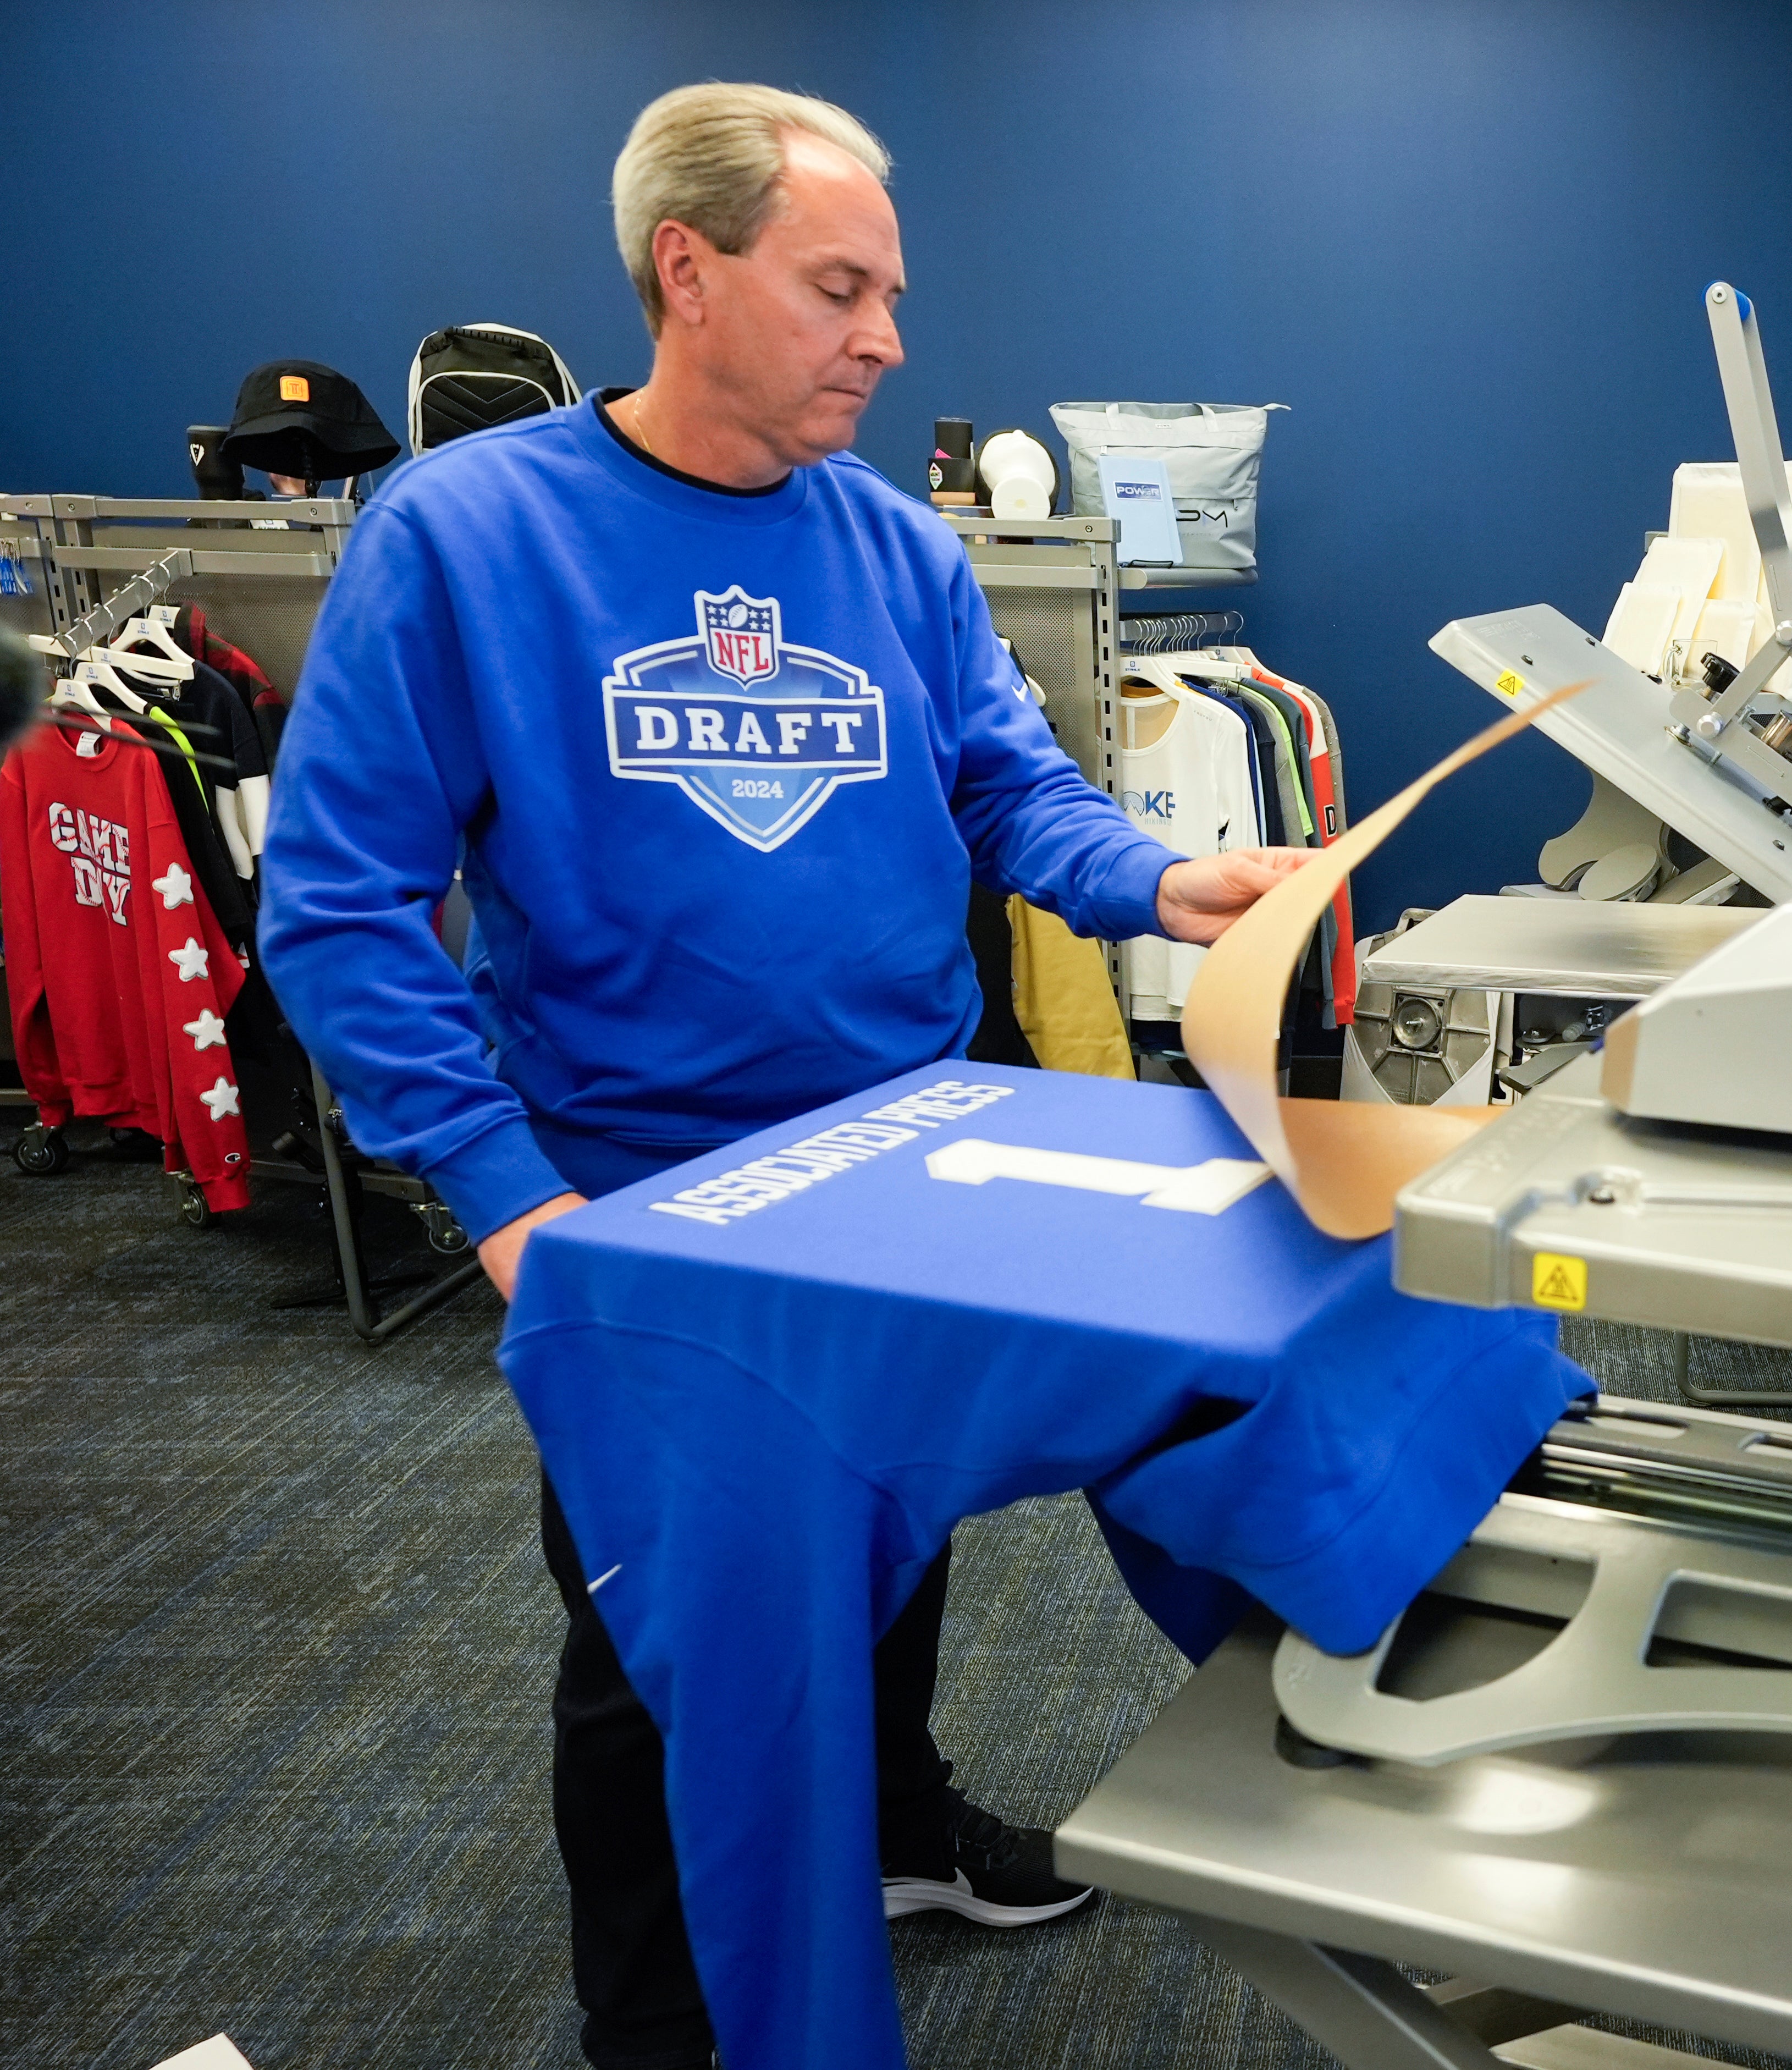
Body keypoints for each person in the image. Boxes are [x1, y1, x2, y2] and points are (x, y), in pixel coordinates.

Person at [257, 83, 1302, 2070]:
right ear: (688, 271)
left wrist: (1169, 872)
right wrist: (503, 1197)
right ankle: (653, 2023)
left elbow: (1005, 786)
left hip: (914, 1138)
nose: (890, 335)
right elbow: (336, 906)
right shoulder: (466, 538)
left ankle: (892, 1830)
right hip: (639, 1197)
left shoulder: (898, 549)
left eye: (891, 292)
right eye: (841, 289)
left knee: (891, 1529)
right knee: (672, 1632)